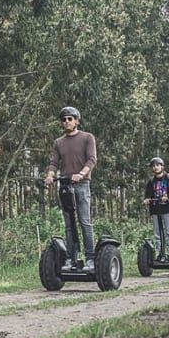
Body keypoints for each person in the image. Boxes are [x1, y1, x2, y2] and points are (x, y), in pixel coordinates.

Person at [44, 106, 97, 271]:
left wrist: (81, 174)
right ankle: (71, 259)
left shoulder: (87, 137)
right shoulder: (58, 142)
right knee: (69, 224)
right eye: (64, 119)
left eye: (70, 119)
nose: (66, 122)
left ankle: (90, 259)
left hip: (82, 184)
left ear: (76, 121)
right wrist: (50, 175)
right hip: (65, 185)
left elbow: (92, 160)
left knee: (84, 222)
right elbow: (54, 163)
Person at [144, 157, 169, 259]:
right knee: (157, 233)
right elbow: (148, 194)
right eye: (153, 166)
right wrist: (147, 199)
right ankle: (160, 253)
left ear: (162, 166)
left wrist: (168, 198)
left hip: (167, 209)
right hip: (155, 209)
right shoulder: (151, 181)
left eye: (157, 165)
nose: (155, 167)